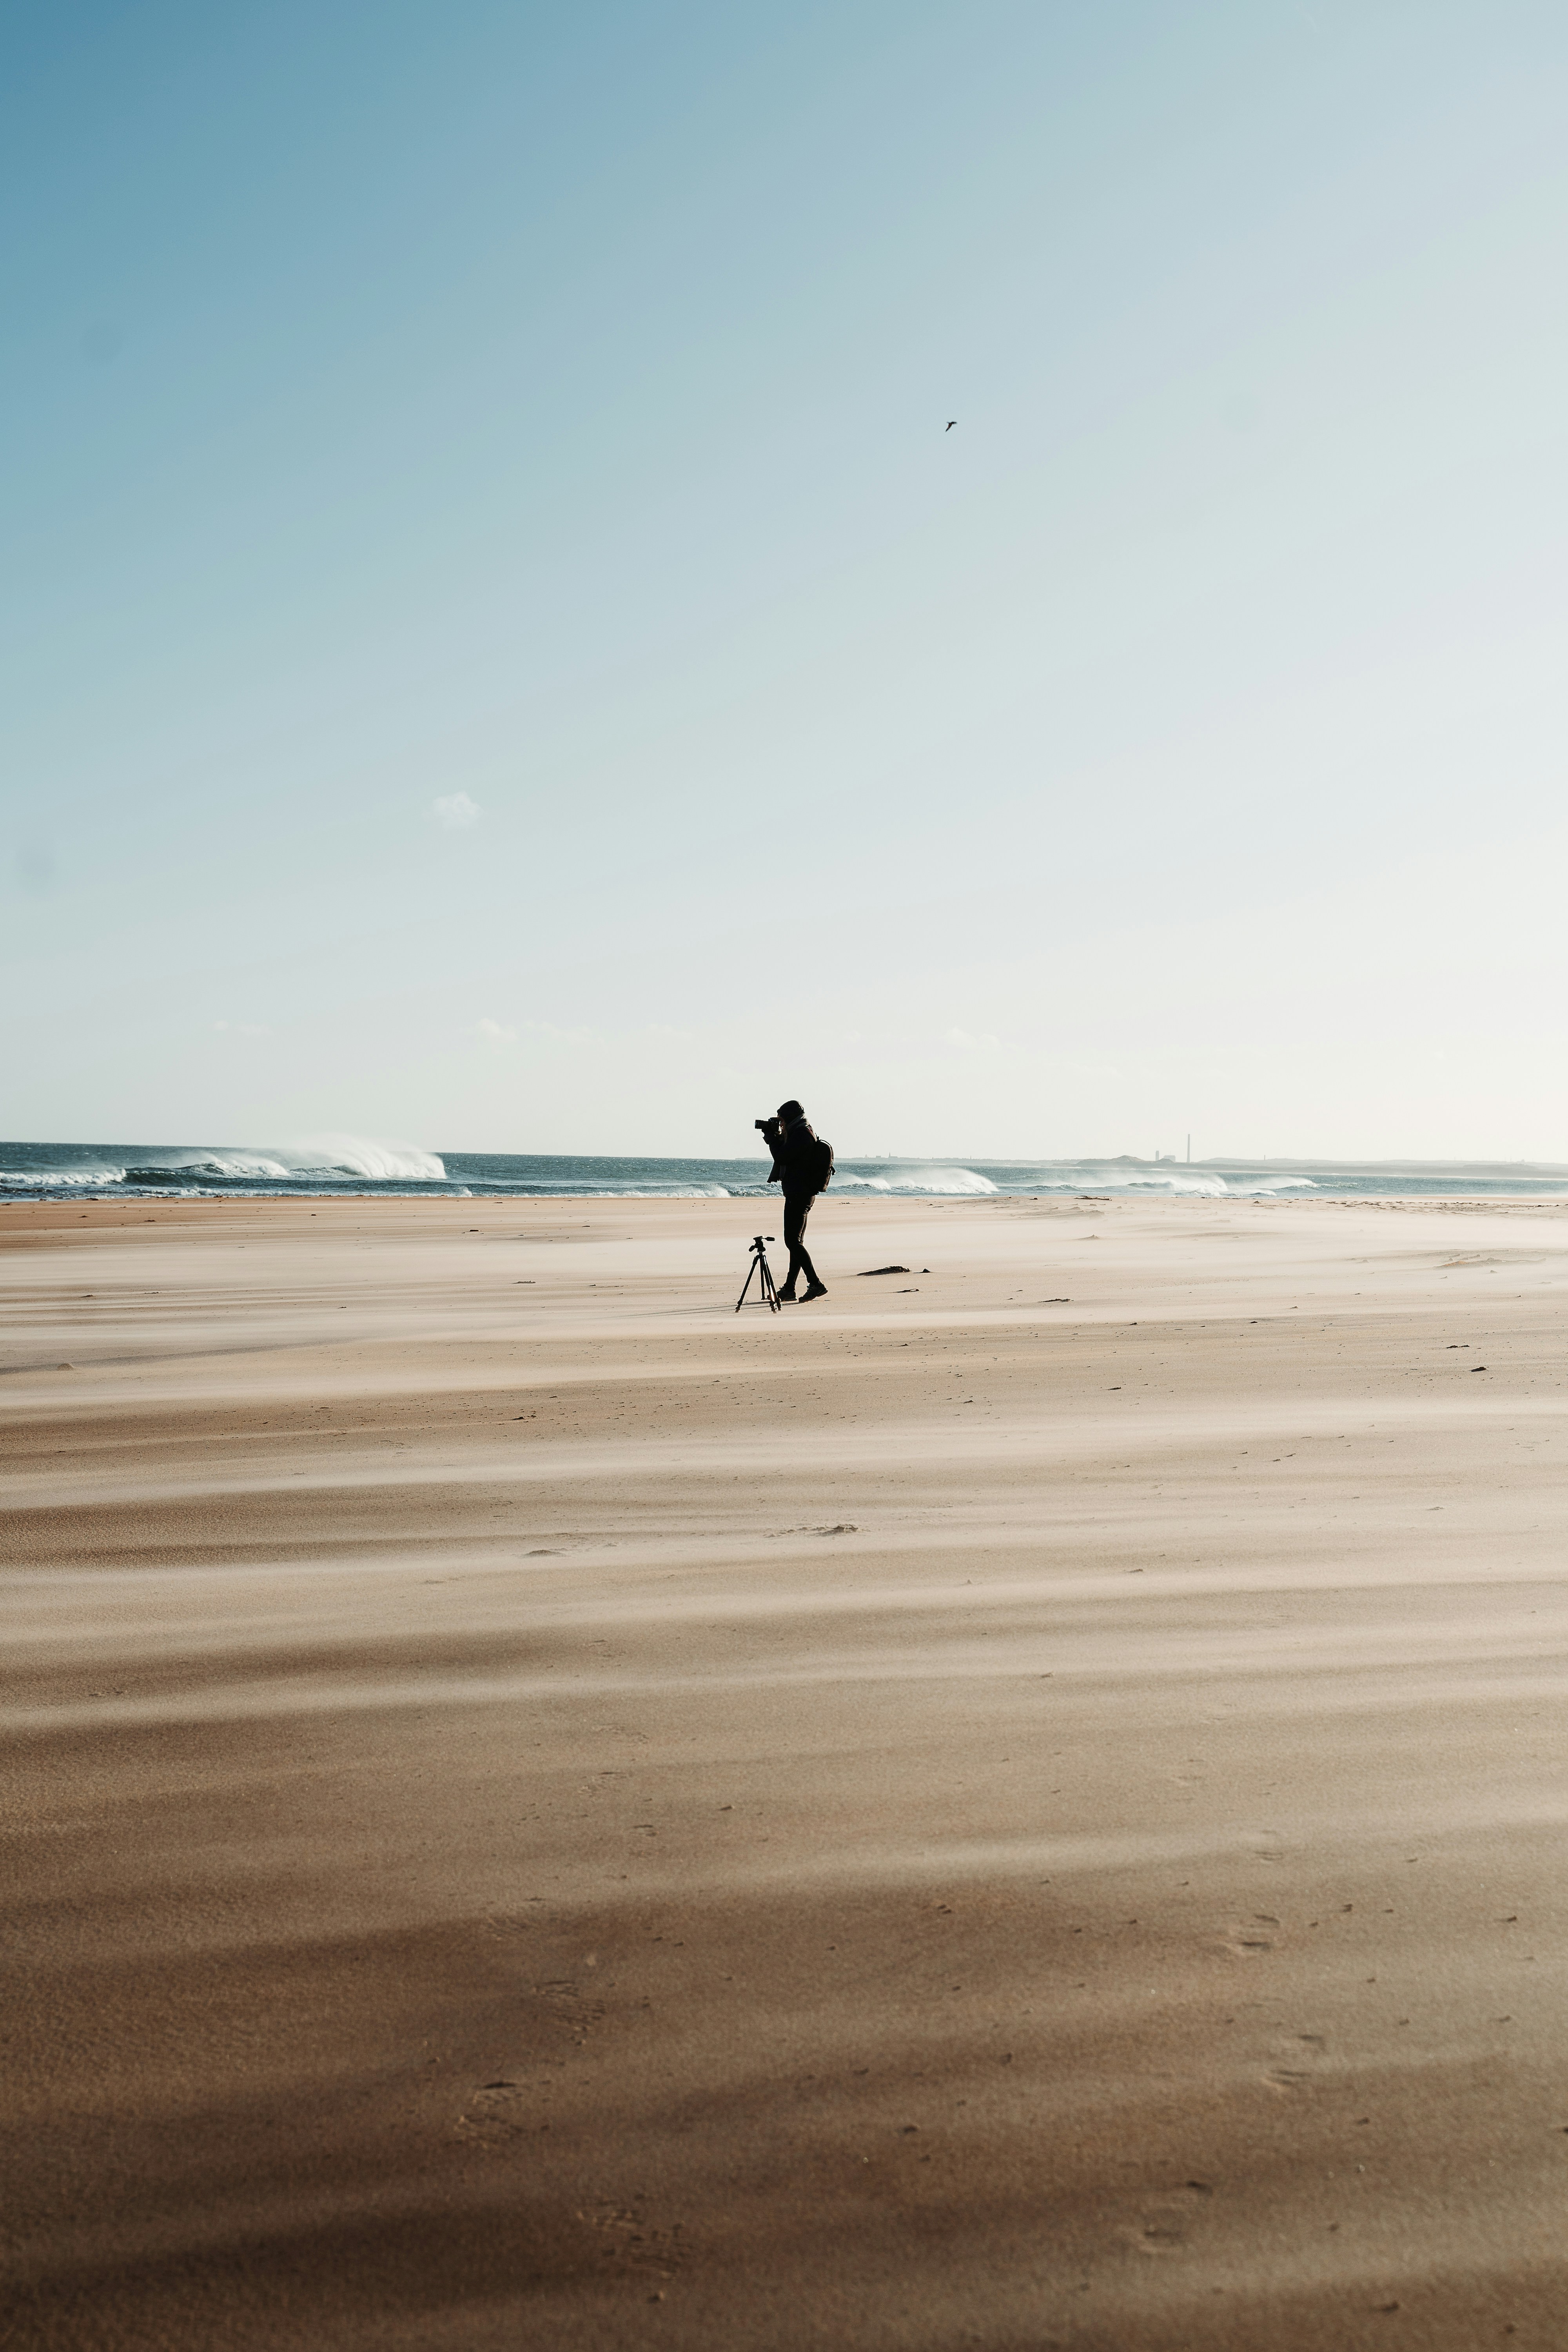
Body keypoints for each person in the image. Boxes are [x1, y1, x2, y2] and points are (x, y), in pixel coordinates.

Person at [760, 1099, 828, 1302]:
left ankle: (815, 1284)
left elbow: (782, 1158)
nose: (780, 1124)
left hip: (800, 1193)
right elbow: (788, 1154)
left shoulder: (802, 1135)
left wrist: (773, 1139)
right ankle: (790, 1289)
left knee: (792, 1241)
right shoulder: (800, 1132)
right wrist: (776, 1136)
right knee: (795, 1242)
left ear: (789, 1118)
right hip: (799, 1192)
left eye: (782, 1120)